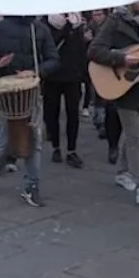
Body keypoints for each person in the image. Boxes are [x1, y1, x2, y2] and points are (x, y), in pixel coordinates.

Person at [0, 16, 60, 207]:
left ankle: (31, 185)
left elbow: (54, 59)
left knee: (35, 138)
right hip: (7, 91)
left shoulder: (39, 29)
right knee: (5, 136)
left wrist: (36, 71)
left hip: (32, 91)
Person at [87, 0, 139, 206]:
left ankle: (122, 171)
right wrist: (121, 59)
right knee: (134, 135)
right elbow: (94, 51)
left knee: (134, 133)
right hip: (123, 87)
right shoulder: (114, 21)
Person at [42, 13, 87, 168]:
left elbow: (82, 50)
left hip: (72, 76)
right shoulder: (47, 25)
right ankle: (56, 146)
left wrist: (84, 75)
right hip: (52, 76)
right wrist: (67, 27)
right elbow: (52, 45)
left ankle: (71, 150)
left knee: (73, 113)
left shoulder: (77, 25)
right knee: (51, 113)